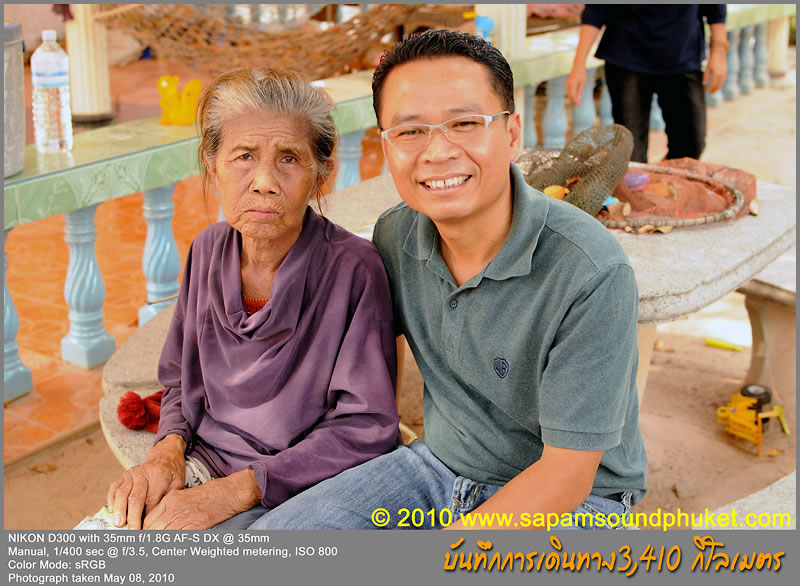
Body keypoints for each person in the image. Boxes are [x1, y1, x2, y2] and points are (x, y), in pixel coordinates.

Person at [248, 30, 647, 531]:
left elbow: (567, 476)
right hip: (438, 467)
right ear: (386, 146)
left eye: (464, 123)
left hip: (579, 503)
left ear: (512, 134)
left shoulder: (591, 271)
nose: (437, 152)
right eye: (410, 131)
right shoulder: (396, 235)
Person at [105, 68, 401, 530]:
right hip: (205, 460)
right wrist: (167, 451)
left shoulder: (353, 270)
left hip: (305, 483)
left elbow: (365, 426)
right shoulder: (206, 250)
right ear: (212, 164)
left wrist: (237, 491)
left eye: (289, 158)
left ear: (321, 174)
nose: (264, 181)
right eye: (244, 156)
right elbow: (180, 378)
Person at [566, 5, 728, 163]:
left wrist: (719, 52)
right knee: (631, 154)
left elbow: (716, 9)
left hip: (683, 55)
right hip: (627, 55)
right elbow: (596, 9)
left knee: (691, 147)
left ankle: (663, 176)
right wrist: (579, 64)